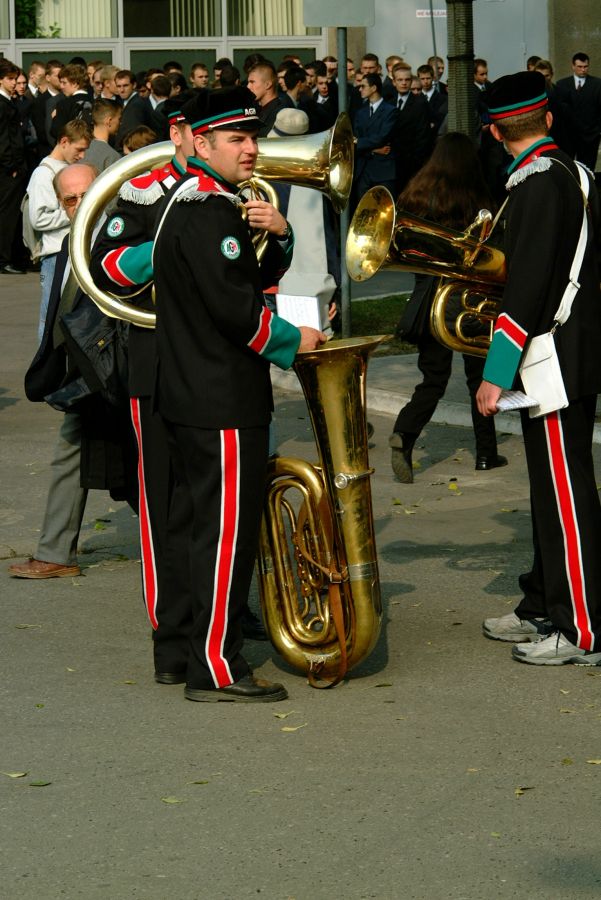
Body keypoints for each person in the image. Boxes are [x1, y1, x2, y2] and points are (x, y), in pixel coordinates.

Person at [151, 86, 326, 701]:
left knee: (194, 530)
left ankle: (178, 653)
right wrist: (294, 342)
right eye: (237, 139)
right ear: (201, 142)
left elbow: (245, 278)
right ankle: (217, 667)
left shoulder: (198, 199)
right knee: (225, 536)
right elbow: (235, 308)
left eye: (252, 138)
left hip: (193, 393)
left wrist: (279, 233)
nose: (252, 150)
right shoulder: (207, 210)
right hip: (221, 397)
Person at [477, 71, 601, 665]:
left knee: (565, 488)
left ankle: (580, 627)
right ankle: (542, 601)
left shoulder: (533, 185)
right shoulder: (574, 172)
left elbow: (525, 288)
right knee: (553, 483)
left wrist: (496, 370)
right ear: (547, 119)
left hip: (547, 348)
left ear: (496, 129)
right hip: (576, 340)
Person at [8, 162, 132, 581]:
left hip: (119, 374)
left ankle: (58, 551)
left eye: (87, 193)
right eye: (70, 199)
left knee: (138, 468)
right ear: (61, 206)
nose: (81, 205)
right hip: (86, 379)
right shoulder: (66, 249)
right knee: (77, 456)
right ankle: (56, 551)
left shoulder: (125, 239)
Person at [388, 132, 507, 482]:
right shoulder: (478, 198)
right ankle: (485, 454)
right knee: (478, 379)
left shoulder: (416, 195)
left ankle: (405, 434)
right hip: (467, 300)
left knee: (433, 380)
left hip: (428, 302)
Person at [27, 118, 91, 340]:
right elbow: (38, 219)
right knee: (49, 316)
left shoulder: (67, 168)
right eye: (79, 149)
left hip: (72, 251)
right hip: (55, 254)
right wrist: (77, 212)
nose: (82, 155)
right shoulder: (43, 173)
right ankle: (45, 366)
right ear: (64, 141)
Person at [351, 73, 398, 208]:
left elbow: (382, 137)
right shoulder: (361, 112)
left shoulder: (390, 111)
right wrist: (373, 149)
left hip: (383, 171)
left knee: (384, 209)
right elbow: (355, 139)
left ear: (374, 88)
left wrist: (359, 143)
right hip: (363, 171)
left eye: (363, 86)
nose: (360, 89)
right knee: (364, 210)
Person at [0, 59, 28, 275]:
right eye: (9, 79)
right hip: (9, 169)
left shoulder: (8, 102)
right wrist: (12, 165)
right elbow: (4, 139)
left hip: (12, 166)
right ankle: (4, 258)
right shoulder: (3, 104)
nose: (13, 83)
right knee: (8, 214)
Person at [554, 52, 601, 171]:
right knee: (567, 167)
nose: (583, 70)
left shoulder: (597, 84)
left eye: (585, 66)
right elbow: (559, 110)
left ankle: (587, 189)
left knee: (588, 169)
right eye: (580, 67)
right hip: (568, 136)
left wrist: (597, 131)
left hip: (590, 136)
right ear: (573, 66)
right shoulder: (562, 84)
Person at [83, 99, 122, 172]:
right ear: (109, 121)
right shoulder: (112, 156)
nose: (120, 123)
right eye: (119, 119)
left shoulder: (80, 148)